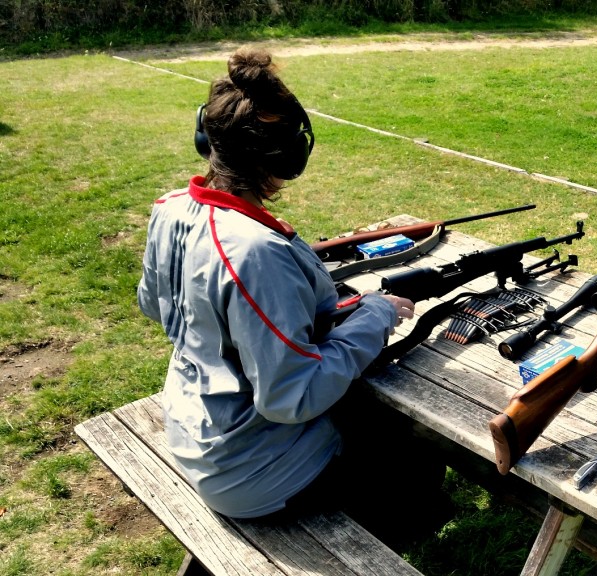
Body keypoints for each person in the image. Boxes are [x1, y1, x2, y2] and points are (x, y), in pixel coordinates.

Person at [136, 47, 427, 524]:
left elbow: (155, 304)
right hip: (254, 473)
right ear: (291, 154)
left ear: (206, 139)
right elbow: (293, 396)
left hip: (197, 428)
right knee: (407, 456)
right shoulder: (255, 251)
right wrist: (375, 312)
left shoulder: (170, 208)